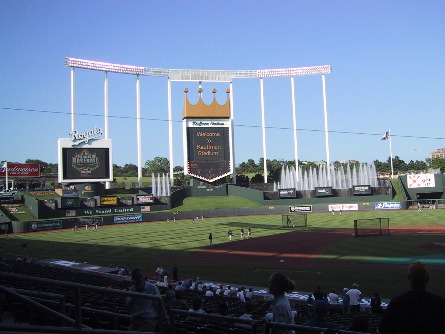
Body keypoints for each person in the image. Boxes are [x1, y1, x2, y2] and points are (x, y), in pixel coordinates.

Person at [378, 261, 445, 334]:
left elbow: (383, 330)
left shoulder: (397, 302)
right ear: (427, 278)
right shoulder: (440, 303)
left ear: (408, 277)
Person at [127, 267, 169, 332]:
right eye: (137, 277)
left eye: (141, 276)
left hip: (148, 320)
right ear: (133, 279)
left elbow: (160, 305)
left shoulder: (152, 288)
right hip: (135, 319)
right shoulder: (132, 289)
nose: (140, 279)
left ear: (144, 276)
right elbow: (129, 306)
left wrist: (166, 319)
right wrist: (136, 293)